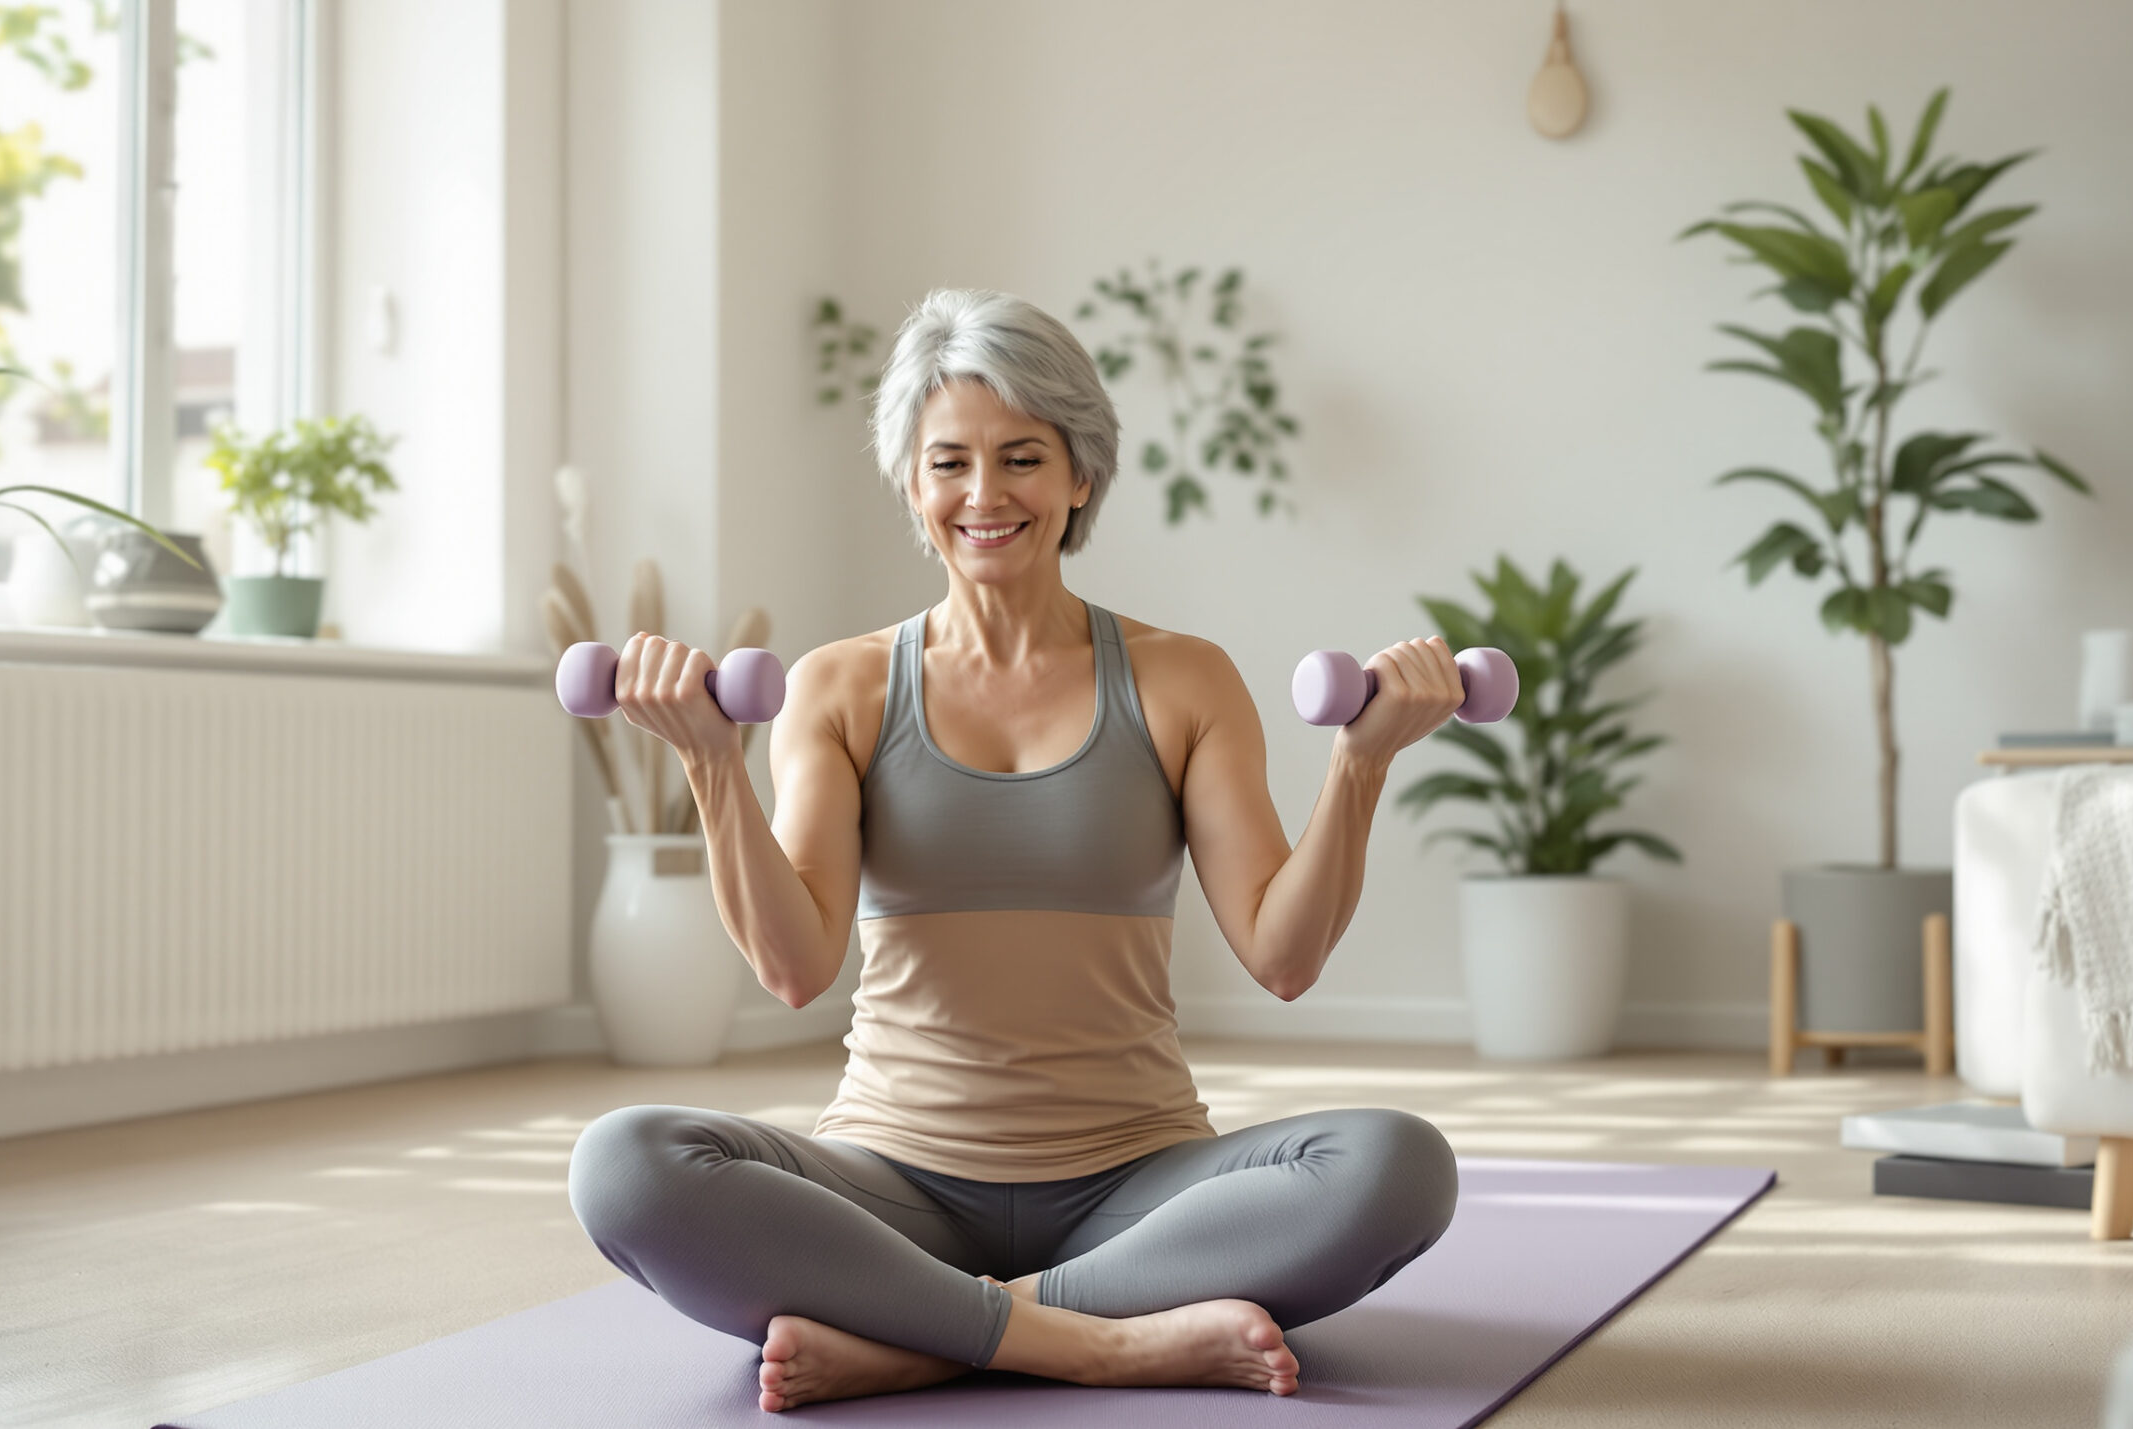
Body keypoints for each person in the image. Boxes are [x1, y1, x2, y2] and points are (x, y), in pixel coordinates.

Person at [567, 289, 1463, 1413]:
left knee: (1397, 1164)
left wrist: (1362, 763)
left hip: (1135, 1182)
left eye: (1023, 458)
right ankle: (1102, 1339)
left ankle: (927, 1335)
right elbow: (794, 968)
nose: (983, 496)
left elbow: (1282, 959)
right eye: (948, 462)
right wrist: (710, 764)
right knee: (623, 1163)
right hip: (891, 1184)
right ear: (910, 482)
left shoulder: (1182, 678)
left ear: (1081, 474)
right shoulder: (840, 688)